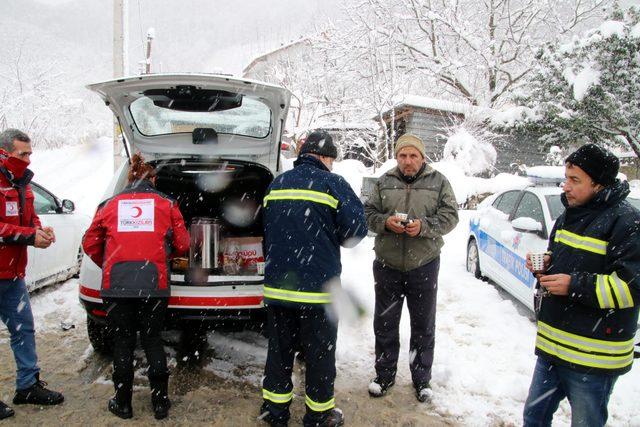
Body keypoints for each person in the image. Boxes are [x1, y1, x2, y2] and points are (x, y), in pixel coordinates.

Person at [523, 144, 640, 427]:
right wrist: (549, 263)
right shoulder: (569, 215)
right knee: (534, 417)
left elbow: (631, 287)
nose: (566, 186)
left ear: (599, 184)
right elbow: (570, 259)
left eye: (575, 180)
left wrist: (574, 285)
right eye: (566, 178)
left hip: (594, 356)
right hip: (554, 346)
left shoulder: (628, 222)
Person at [259, 130, 367, 427]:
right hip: (319, 293)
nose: (332, 165)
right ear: (324, 157)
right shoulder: (334, 184)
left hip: (279, 289)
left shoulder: (276, 184)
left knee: (279, 353)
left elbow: (266, 234)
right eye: (331, 160)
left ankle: (275, 412)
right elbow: (355, 232)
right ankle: (318, 416)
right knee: (320, 356)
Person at [82, 153, 189, 420]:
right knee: (152, 340)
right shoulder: (166, 203)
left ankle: (123, 403)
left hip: (116, 285)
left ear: (130, 179)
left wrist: (110, 263)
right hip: (153, 284)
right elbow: (184, 245)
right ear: (152, 179)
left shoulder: (109, 205)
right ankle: (160, 404)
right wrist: (164, 255)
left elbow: (90, 243)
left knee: (123, 342)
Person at [364, 134, 458, 403]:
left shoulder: (439, 182)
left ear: (422, 157)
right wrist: (385, 223)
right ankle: (384, 375)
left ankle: (422, 379)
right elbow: (367, 213)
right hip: (387, 265)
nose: (408, 161)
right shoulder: (384, 182)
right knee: (385, 323)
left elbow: (451, 216)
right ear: (397, 158)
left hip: (424, 265)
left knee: (423, 325)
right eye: (403, 156)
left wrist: (424, 227)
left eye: (413, 156)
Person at [0, 129, 64, 420]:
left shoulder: (22, 182)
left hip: (12, 274)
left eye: (29, 154)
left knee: (23, 330)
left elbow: (29, 215)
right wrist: (27, 236)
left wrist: (38, 229)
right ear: (4, 153)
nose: (27, 160)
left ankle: (27, 386)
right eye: (21, 154)